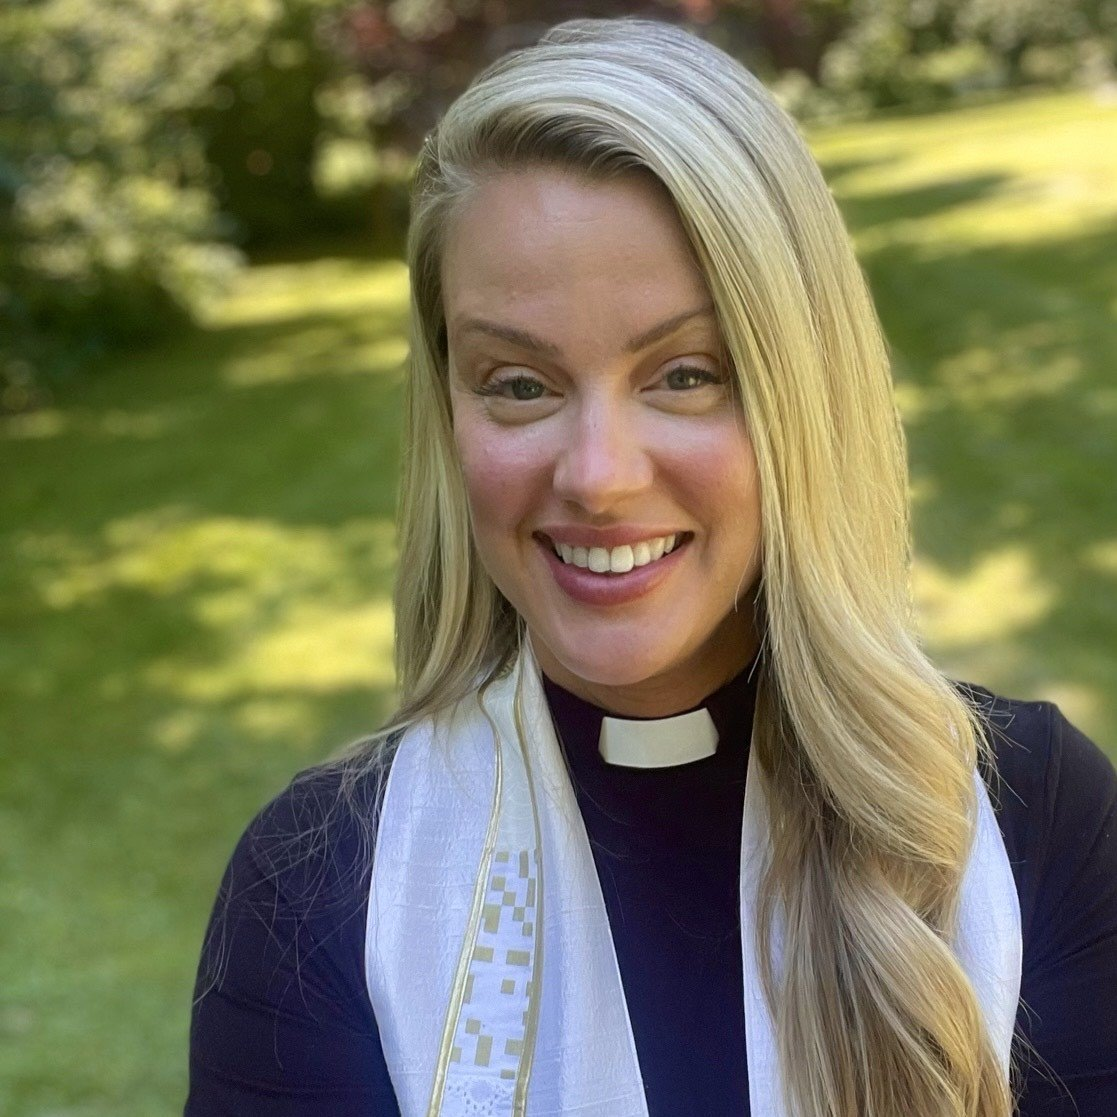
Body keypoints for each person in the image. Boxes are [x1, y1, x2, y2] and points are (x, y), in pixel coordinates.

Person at [185, 17, 1117, 1117]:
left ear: (797, 391)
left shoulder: (1028, 820)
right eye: (519, 383)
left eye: (683, 372)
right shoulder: (322, 886)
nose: (598, 476)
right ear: (448, 411)